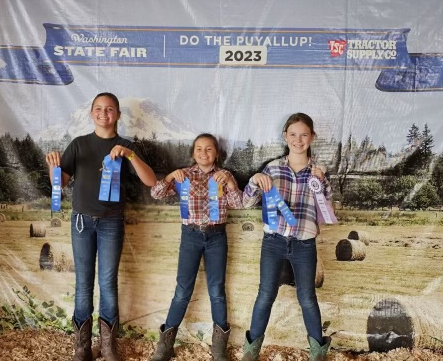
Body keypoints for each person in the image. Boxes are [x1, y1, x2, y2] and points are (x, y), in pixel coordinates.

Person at [45, 92, 157, 361]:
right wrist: (53, 167)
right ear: (91, 113)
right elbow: (58, 185)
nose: (103, 113)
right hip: (82, 221)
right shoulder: (79, 144)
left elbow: (152, 181)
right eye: (98, 108)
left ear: (118, 114)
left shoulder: (126, 145)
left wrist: (130, 155)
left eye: (109, 109)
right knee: (84, 283)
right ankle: (82, 347)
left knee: (108, 283)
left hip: (111, 222)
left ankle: (108, 347)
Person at [241, 113, 332, 361]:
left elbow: (326, 212)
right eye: (293, 134)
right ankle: (250, 353)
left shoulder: (319, 174)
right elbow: (246, 202)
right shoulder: (272, 168)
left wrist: (322, 183)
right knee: (265, 295)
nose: (298, 140)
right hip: (274, 242)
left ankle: (318, 354)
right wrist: (253, 182)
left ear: (312, 137)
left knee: (307, 297)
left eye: (304, 134)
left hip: (304, 244)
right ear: (285, 136)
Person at [150, 133, 243, 361]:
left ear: (217, 153)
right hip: (190, 236)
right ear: (193, 153)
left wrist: (230, 183)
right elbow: (156, 193)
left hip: (216, 236)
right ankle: (165, 345)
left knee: (217, 291)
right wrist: (171, 176)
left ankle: (219, 348)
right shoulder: (184, 176)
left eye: (209, 149)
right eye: (199, 149)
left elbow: (239, 203)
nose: (204, 153)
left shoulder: (224, 175)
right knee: (182, 290)